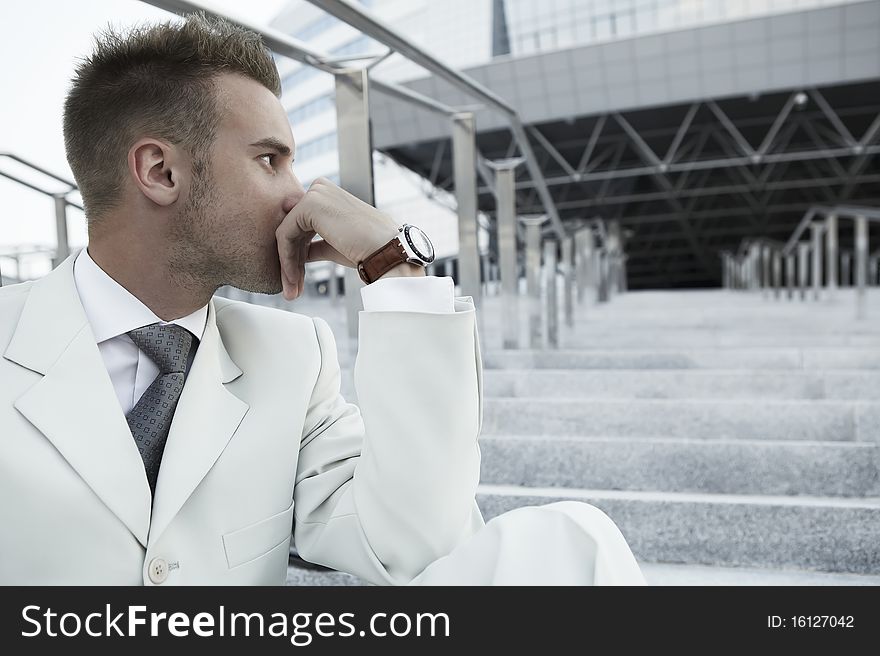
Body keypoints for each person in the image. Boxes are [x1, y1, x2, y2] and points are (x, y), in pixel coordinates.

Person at [0, 12, 644, 586]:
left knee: (573, 543)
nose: (299, 195)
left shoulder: (291, 356)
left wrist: (395, 269)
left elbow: (416, 547)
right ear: (161, 172)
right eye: (269, 160)